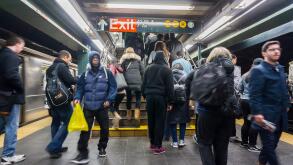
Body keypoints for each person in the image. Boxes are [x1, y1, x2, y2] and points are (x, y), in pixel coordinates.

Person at [71, 51, 117, 164]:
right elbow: (80, 88)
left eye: (97, 58)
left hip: (102, 106)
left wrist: (109, 100)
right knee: (85, 131)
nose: (95, 60)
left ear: (99, 60)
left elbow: (113, 87)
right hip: (88, 107)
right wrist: (77, 97)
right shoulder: (85, 74)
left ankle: (102, 148)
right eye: (93, 58)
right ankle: (82, 153)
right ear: (90, 60)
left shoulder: (107, 73)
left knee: (105, 129)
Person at [249, 41, 290, 165]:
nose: (276, 51)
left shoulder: (280, 69)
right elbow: (255, 94)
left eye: (278, 49)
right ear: (264, 53)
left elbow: (284, 89)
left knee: (272, 145)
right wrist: (257, 113)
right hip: (266, 116)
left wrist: (286, 103)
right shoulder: (258, 70)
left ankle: (261, 162)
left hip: (280, 115)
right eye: (272, 49)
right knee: (270, 148)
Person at [196, 47, 235, 165]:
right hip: (226, 113)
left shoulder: (203, 69)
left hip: (206, 112)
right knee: (222, 148)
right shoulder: (231, 70)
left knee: (204, 144)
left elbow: (197, 90)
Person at [45, 50, 76, 158]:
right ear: (66, 57)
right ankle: (53, 147)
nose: (70, 61)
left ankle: (56, 147)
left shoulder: (50, 68)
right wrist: (78, 78)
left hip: (52, 100)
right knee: (69, 121)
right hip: (62, 100)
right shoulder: (62, 66)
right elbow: (71, 80)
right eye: (70, 59)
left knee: (56, 122)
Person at [142, 51, 174, 155]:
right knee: (160, 121)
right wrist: (170, 101)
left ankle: (152, 143)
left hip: (150, 97)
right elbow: (170, 87)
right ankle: (158, 146)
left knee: (151, 120)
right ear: (164, 58)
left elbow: (143, 83)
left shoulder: (148, 68)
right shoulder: (167, 69)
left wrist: (144, 95)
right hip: (161, 98)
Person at [0, 35, 26, 164]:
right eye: (22, 46)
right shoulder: (10, 56)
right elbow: (12, 75)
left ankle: (7, 154)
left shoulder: (2, 55)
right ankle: (7, 155)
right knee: (11, 126)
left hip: (2, 97)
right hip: (10, 97)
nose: (22, 49)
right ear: (17, 44)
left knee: (3, 125)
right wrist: (21, 88)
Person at [239, 58, 263, 152]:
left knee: (246, 122)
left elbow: (239, 88)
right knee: (255, 123)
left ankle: (244, 142)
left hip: (244, 101)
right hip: (254, 102)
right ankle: (252, 145)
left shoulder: (245, 75)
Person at [168, 64, 190, 148]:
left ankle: (174, 142)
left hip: (172, 101)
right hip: (183, 101)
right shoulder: (186, 76)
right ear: (182, 69)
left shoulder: (170, 76)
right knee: (182, 121)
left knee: (173, 122)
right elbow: (188, 89)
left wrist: (169, 102)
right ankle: (181, 141)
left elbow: (168, 89)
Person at [185, 58, 206, 144]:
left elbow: (187, 81)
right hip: (209, 99)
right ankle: (205, 136)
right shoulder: (211, 72)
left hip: (198, 98)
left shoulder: (195, 72)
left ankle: (198, 136)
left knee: (198, 117)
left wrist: (189, 97)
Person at [120, 47, 144, 121]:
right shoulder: (138, 61)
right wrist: (142, 81)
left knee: (129, 98)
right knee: (138, 98)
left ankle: (128, 114)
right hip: (138, 82)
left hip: (128, 83)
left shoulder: (123, 62)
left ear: (126, 53)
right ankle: (136, 114)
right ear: (134, 52)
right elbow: (143, 72)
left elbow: (122, 72)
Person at [108, 58, 124, 128]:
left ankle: (117, 116)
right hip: (123, 91)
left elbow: (111, 77)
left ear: (111, 62)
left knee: (110, 105)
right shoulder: (120, 68)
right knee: (116, 106)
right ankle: (116, 124)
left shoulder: (112, 66)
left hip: (116, 91)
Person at [230, 54, 242, 143]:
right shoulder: (236, 68)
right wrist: (238, 94)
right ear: (233, 59)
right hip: (233, 95)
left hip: (224, 95)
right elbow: (238, 83)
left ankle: (226, 134)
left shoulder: (221, 67)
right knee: (232, 115)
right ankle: (232, 135)